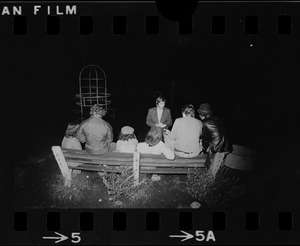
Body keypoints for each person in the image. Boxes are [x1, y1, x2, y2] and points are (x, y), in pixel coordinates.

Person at [197, 103, 233, 178]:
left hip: (219, 148)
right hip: (225, 145)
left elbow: (202, 136)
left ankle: (209, 186)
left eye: (199, 114)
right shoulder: (216, 119)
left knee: (213, 171)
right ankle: (209, 176)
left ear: (202, 114)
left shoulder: (204, 123)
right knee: (213, 165)